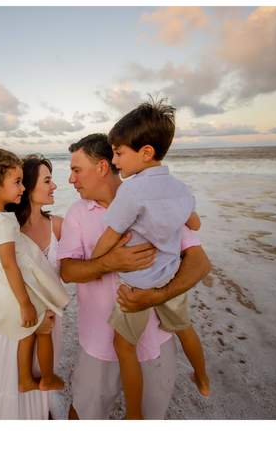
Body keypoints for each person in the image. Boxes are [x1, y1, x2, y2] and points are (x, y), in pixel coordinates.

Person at [59, 133, 211, 420]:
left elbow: (200, 263)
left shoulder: (155, 200)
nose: (71, 179)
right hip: (97, 343)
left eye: (76, 170)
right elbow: (67, 271)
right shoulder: (77, 213)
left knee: (149, 418)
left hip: (155, 341)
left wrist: (156, 297)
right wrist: (108, 262)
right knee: (83, 414)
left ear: (103, 167)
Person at [0, 148, 70, 419]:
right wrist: (24, 304)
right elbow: (4, 266)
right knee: (6, 393)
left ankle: (39, 381)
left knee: (42, 334)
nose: (55, 185)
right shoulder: (6, 225)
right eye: (47, 180)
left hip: (19, 306)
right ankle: (35, 379)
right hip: (13, 316)